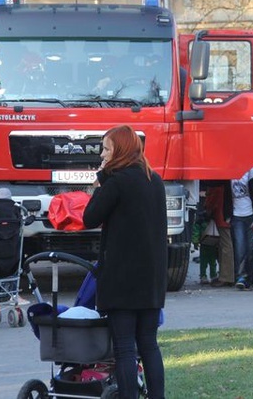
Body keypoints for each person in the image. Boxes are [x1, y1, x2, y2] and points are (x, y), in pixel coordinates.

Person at [82, 125, 166, 399]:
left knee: (125, 347)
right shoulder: (154, 180)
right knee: (149, 344)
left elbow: (90, 217)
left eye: (106, 148)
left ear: (119, 150)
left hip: (122, 278)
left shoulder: (116, 182)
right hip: (151, 276)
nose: (103, 155)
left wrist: (100, 181)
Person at [230, 167, 253, 289]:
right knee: (240, 248)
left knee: (251, 248)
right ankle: (241, 276)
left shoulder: (250, 171)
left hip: (250, 214)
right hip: (237, 215)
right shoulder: (229, 171)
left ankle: (251, 276)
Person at [204, 182, 234, 287]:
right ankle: (226, 275)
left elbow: (212, 200)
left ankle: (226, 276)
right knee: (225, 245)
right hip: (224, 214)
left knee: (225, 246)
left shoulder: (217, 184)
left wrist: (207, 209)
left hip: (221, 215)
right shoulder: (224, 182)